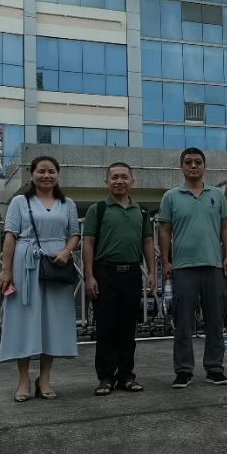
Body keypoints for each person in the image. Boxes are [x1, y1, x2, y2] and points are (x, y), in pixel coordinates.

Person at [0, 156, 81, 401]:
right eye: (41, 171)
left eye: (51, 171)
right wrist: (6, 270)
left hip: (57, 264)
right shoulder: (20, 201)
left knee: (52, 321)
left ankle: (44, 379)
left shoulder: (68, 204)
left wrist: (67, 251)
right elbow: (10, 236)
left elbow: (74, 234)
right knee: (24, 320)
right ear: (31, 175)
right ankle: (23, 380)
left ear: (58, 175)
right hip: (26, 265)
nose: (46, 175)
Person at [157, 148, 227, 389]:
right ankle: (183, 371)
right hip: (183, 268)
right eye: (188, 162)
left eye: (198, 162)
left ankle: (215, 368)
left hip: (213, 266)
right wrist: (165, 261)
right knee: (182, 322)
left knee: (215, 321)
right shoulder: (171, 196)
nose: (193, 166)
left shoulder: (217, 195)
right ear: (181, 167)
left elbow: (226, 227)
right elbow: (164, 230)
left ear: (205, 167)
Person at [83, 162, 157, 397]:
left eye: (124, 177)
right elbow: (88, 243)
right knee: (106, 327)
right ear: (106, 182)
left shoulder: (141, 212)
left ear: (132, 182)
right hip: (104, 273)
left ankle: (126, 375)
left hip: (132, 273)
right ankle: (105, 377)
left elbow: (148, 242)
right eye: (114, 177)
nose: (119, 181)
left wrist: (152, 272)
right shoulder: (97, 209)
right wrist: (89, 276)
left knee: (127, 326)